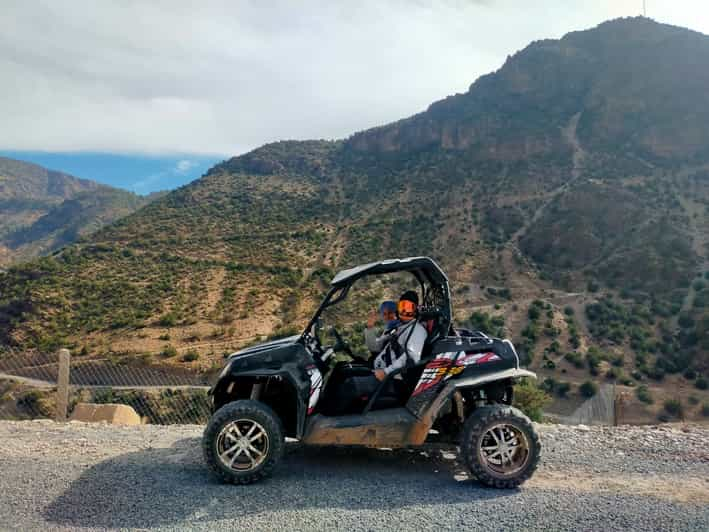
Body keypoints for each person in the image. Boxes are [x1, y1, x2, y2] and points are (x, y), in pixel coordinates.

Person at [368, 291, 428, 381]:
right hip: (377, 371)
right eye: (402, 307)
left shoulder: (417, 330)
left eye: (408, 308)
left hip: (390, 379)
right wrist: (369, 329)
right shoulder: (398, 327)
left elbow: (411, 357)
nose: (404, 311)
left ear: (416, 310)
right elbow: (375, 347)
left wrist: (386, 372)